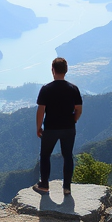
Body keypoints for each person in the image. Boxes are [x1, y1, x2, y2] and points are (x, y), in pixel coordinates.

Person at [34, 57, 82, 195]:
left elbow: (41, 110)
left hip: (51, 128)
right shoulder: (73, 89)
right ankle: (67, 187)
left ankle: (44, 185)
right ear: (66, 71)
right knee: (67, 156)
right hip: (69, 128)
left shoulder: (46, 89)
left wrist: (38, 127)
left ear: (53, 70)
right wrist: (73, 120)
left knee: (45, 155)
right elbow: (78, 109)